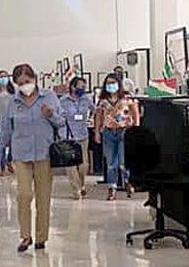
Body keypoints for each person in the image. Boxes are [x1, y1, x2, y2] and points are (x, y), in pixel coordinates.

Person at [0, 64, 65, 252]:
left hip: (44, 153)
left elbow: (62, 122)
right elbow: (5, 130)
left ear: (35, 79)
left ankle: (42, 237)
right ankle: (25, 236)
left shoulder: (49, 97)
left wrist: (51, 115)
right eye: (20, 83)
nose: (25, 86)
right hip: (21, 154)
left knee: (43, 197)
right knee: (24, 195)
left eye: (27, 81)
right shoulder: (13, 103)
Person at [94, 72, 141, 201]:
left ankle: (128, 182)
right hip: (108, 132)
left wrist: (136, 129)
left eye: (113, 83)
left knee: (124, 162)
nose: (111, 86)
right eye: (108, 83)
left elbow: (135, 112)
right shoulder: (103, 101)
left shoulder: (127, 98)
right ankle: (112, 187)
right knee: (111, 163)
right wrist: (97, 132)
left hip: (124, 131)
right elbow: (98, 117)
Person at [60, 77, 95, 199]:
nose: (83, 89)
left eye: (84, 87)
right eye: (81, 86)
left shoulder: (86, 99)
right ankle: (76, 190)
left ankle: (81, 184)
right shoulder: (63, 101)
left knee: (83, 164)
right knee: (70, 165)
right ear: (73, 87)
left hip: (82, 135)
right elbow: (59, 117)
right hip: (68, 136)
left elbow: (95, 110)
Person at [0, 71, 16, 176]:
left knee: (13, 143)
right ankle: (2, 168)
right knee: (1, 144)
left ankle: (9, 160)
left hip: (11, 119)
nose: (3, 78)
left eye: (5, 76)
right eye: (1, 77)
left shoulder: (13, 90)